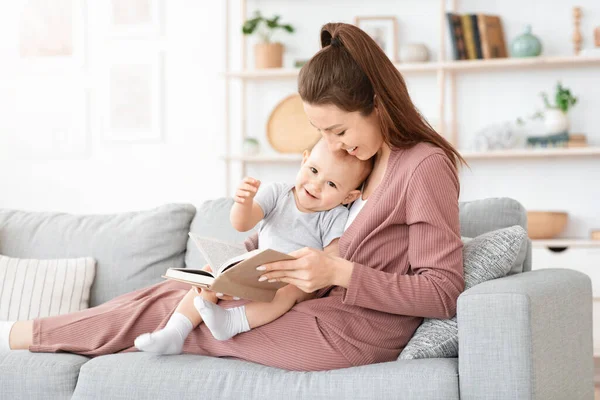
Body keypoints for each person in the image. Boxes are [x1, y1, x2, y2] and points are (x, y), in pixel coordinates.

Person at [1, 22, 466, 372]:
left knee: (172, 313)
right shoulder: (359, 165)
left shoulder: (423, 167)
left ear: (379, 105)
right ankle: (23, 335)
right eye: (323, 133)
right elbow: (303, 230)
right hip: (309, 303)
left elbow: (443, 292)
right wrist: (243, 266)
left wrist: (338, 271)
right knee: (184, 290)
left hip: (353, 331)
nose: (335, 144)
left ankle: (16, 336)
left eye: (340, 129)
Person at [134, 138, 372, 353]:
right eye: (313, 170)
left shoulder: (333, 216)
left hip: (289, 278)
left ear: (348, 197)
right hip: (254, 268)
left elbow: (333, 254)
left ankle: (232, 322)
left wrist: (320, 265)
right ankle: (175, 332)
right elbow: (242, 223)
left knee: (293, 290)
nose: (316, 185)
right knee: (210, 272)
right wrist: (244, 203)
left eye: (331, 184)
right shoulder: (278, 193)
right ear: (304, 159)